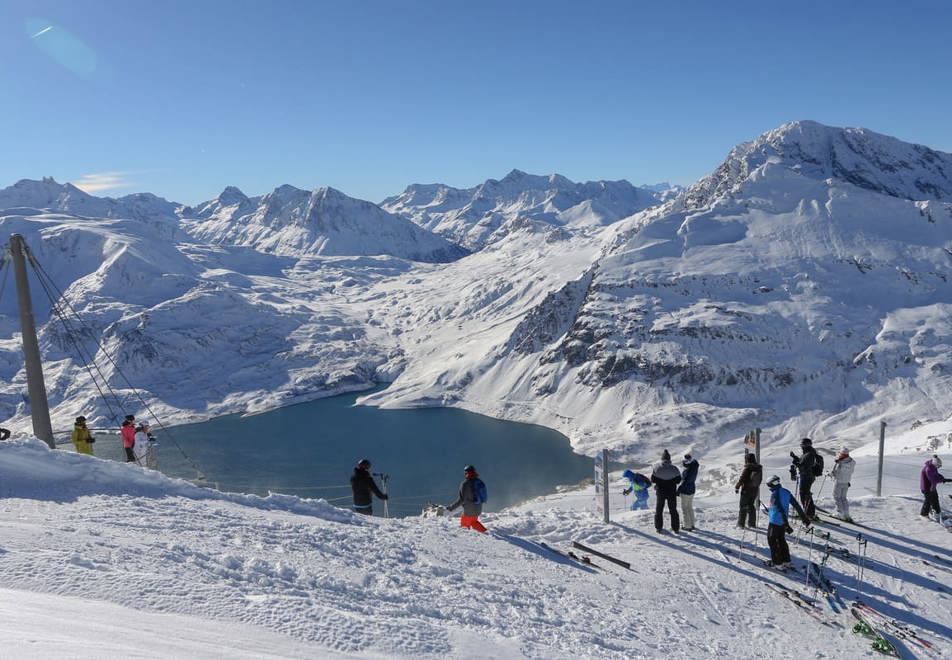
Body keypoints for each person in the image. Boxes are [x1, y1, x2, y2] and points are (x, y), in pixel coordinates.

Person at [765, 474, 810, 569]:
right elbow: (796, 505)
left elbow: (779, 509)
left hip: (775, 522)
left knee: (772, 541)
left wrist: (787, 525)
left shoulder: (775, 494)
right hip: (782, 522)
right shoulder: (786, 492)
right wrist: (804, 518)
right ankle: (786, 561)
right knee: (781, 540)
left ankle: (777, 563)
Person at [447, 464, 488, 533]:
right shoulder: (479, 481)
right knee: (473, 522)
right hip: (478, 509)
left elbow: (461, 500)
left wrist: (451, 508)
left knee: (464, 527)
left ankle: (467, 539)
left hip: (469, 511)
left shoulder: (465, 484)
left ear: (466, 473)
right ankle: (486, 533)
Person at [650, 450, 682, 533]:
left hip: (660, 492)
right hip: (671, 492)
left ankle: (658, 527)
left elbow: (653, 480)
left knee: (659, 510)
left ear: (662, 459)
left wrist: (660, 481)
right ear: (669, 459)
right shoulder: (674, 469)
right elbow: (678, 480)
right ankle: (676, 528)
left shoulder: (656, 468)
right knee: (673, 510)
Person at [790, 437, 818, 520]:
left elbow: (804, 466)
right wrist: (795, 457)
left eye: (802, 445)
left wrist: (796, 463)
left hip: (807, 476)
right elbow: (802, 462)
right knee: (805, 493)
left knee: (804, 494)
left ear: (806, 445)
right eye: (801, 445)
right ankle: (809, 512)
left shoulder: (809, 454)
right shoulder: (807, 453)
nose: (801, 446)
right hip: (806, 476)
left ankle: (809, 514)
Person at [734, 452, 763, 528]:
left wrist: (737, 487)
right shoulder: (759, 468)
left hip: (746, 490)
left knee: (743, 506)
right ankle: (752, 524)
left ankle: (741, 524)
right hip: (755, 490)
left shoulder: (748, 467)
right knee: (751, 506)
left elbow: (742, 478)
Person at [830, 447, 855, 522]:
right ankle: (846, 514)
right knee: (843, 498)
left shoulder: (840, 462)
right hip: (846, 482)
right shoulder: (852, 462)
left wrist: (830, 474)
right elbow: (851, 472)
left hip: (839, 482)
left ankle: (840, 513)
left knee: (837, 497)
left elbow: (836, 472)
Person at [920, 455, 948, 521]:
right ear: (935, 464)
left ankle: (937, 512)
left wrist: (942, 478)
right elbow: (933, 480)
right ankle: (923, 514)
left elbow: (936, 475)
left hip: (932, 487)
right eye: (938, 466)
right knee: (928, 501)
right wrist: (941, 480)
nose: (938, 467)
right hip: (926, 488)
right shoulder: (928, 469)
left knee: (935, 499)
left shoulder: (932, 467)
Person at [678, 453, 699, 531]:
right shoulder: (694, 468)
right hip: (692, 489)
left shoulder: (688, 471)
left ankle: (687, 526)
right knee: (689, 507)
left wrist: (679, 489)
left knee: (684, 508)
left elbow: (685, 482)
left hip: (685, 491)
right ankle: (692, 524)